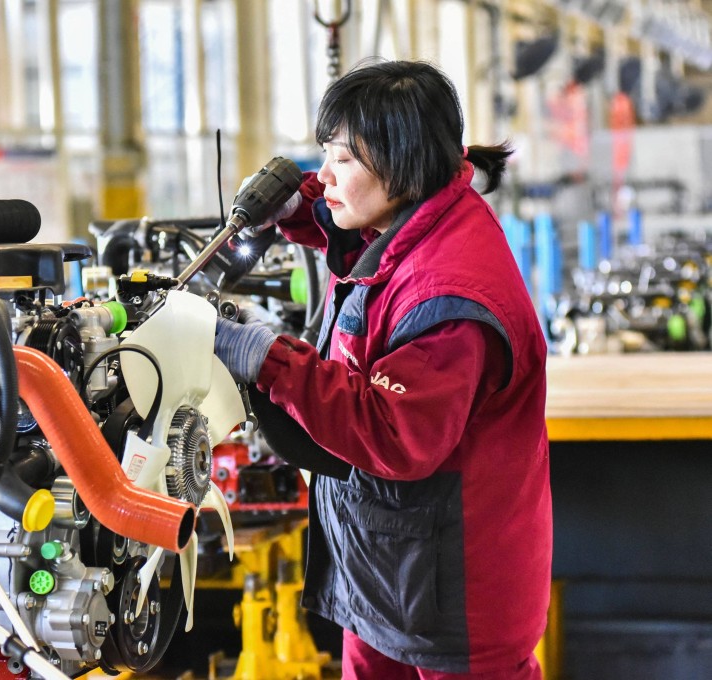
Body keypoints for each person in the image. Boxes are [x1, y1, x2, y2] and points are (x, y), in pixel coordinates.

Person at [213, 59, 552, 679]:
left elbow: (393, 433)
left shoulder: (452, 298)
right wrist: (300, 209)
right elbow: (375, 252)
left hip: (455, 599)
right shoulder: (421, 219)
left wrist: (266, 358)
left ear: (401, 163)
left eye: (342, 160)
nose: (324, 175)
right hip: (390, 570)